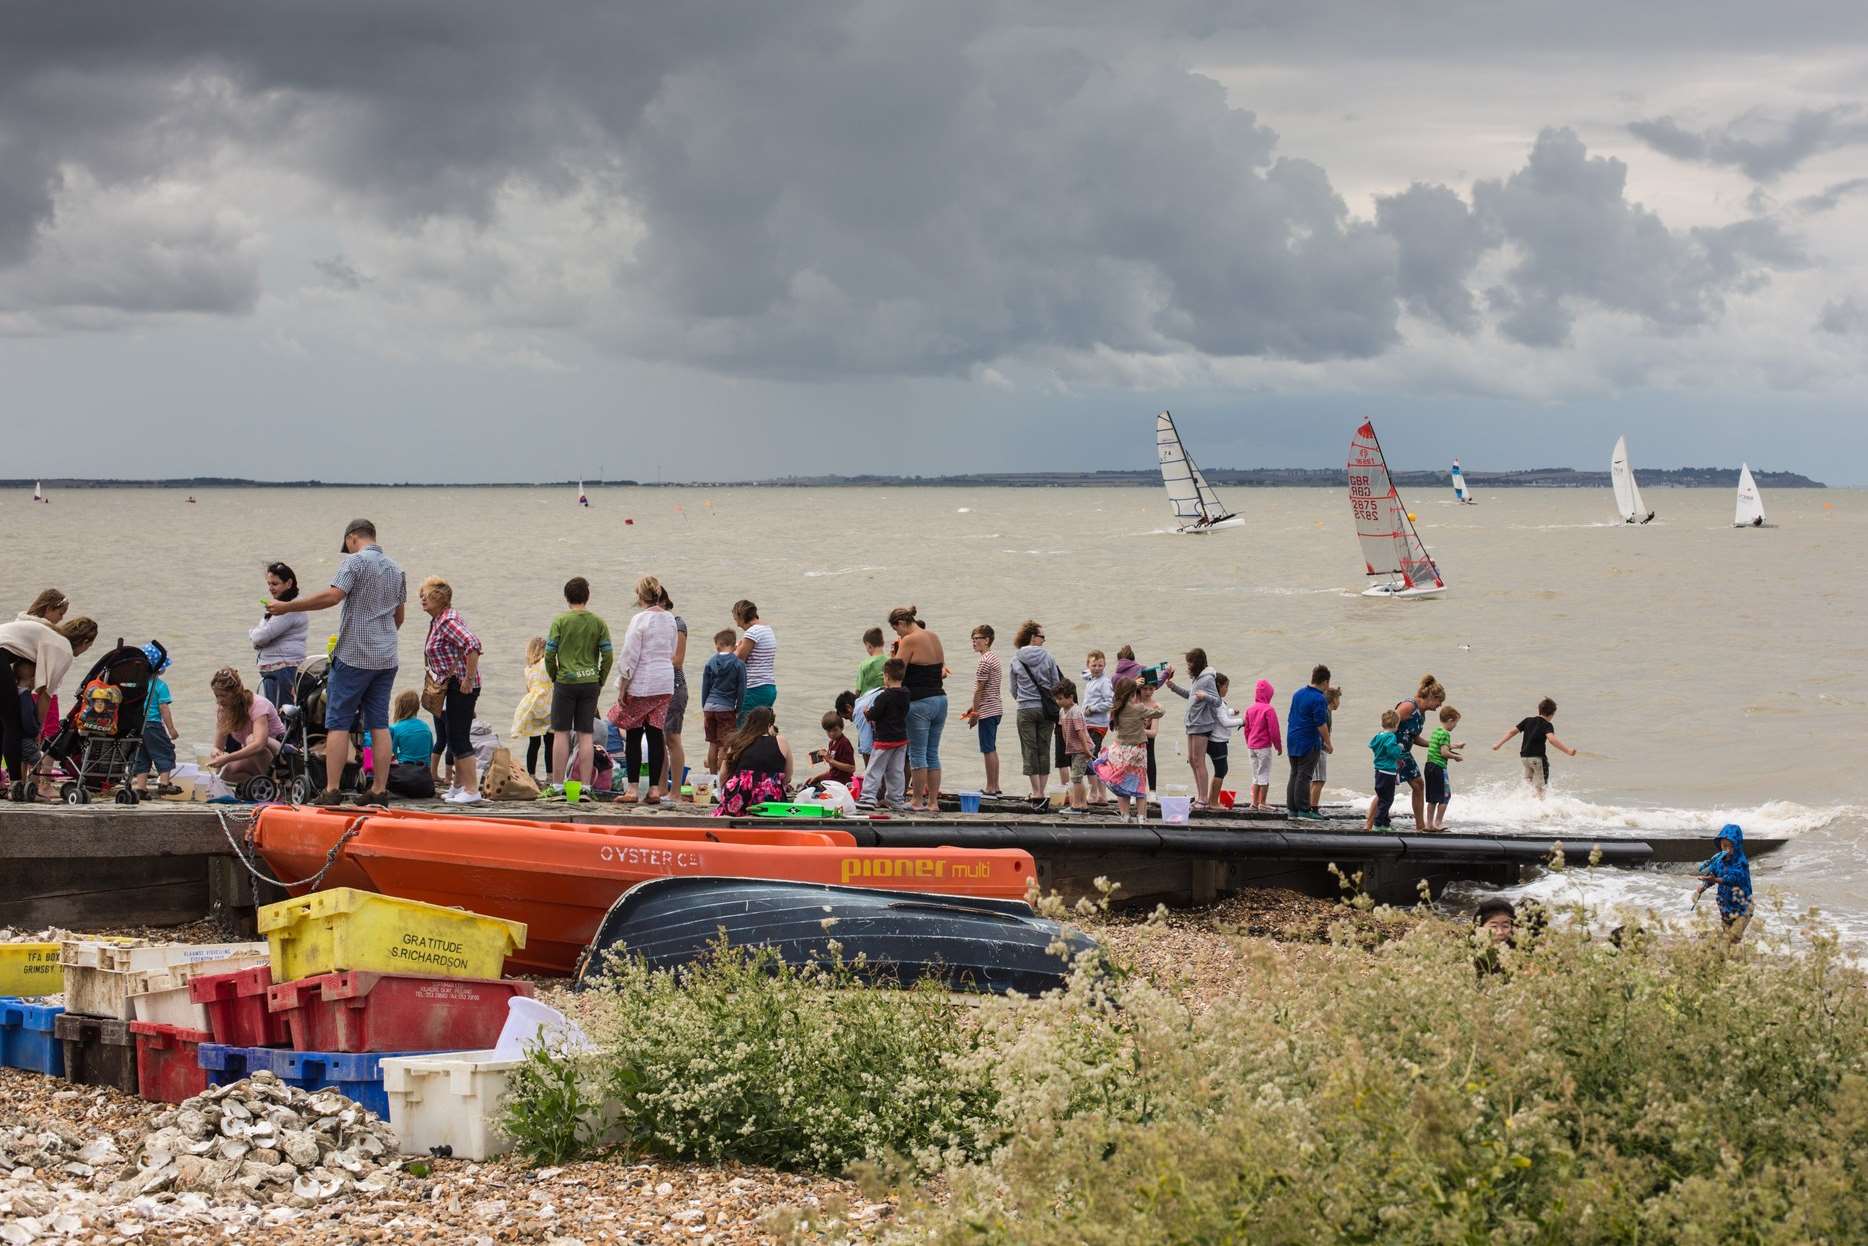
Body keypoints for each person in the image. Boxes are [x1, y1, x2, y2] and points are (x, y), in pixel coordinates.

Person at [265, 518, 405, 807]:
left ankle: (331, 789)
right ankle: (379, 790)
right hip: (387, 657)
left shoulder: (353, 563)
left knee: (338, 722)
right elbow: (398, 617)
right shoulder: (396, 569)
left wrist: (287, 607)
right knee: (378, 724)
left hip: (354, 655)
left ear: (353, 538)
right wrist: (381, 640)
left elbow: (332, 597)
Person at [1, 613, 94, 802]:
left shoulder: (52, 635)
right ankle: (17, 784)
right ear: (85, 641)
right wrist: (38, 730)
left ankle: (13, 782)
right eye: (89, 646)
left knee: (4, 723)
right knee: (12, 725)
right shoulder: (64, 649)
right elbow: (45, 694)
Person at [610, 576, 680, 805]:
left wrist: (623, 685)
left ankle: (632, 789)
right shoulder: (670, 619)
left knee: (632, 733)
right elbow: (672, 649)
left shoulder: (640, 619)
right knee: (655, 733)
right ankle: (653, 789)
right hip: (665, 682)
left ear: (640, 596)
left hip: (643, 682)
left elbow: (630, 654)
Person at [417, 577, 485, 805]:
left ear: (439, 597)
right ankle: (458, 786)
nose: (422, 599)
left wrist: (467, 679)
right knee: (454, 736)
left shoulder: (447, 621)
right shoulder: (440, 620)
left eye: (425, 594)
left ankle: (471, 789)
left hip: (461, 685)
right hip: (452, 684)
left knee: (459, 736)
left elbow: (473, 644)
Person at [544, 576, 613, 801]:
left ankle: (556, 785)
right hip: (590, 681)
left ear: (567, 598)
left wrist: (555, 675)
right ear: (587, 596)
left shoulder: (560, 622)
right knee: (586, 734)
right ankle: (585, 785)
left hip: (565, 681)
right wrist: (600, 678)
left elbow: (549, 653)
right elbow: (608, 654)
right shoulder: (598, 622)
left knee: (561, 733)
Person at [890, 606, 947, 814]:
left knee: (917, 753)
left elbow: (897, 672)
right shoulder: (933, 636)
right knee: (933, 753)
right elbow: (941, 669)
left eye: (897, 631)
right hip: (940, 700)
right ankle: (933, 802)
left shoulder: (909, 639)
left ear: (901, 624)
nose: (898, 635)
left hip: (919, 703)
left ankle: (916, 800)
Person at [1094, 676, 1163, 822]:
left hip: (1119, 751)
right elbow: (1160, 713)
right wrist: (1159, 707)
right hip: (1137, 751)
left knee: (1121, 784)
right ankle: (1141, 817)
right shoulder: (1139, 708)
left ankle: (1125, 816)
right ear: (1133, 694)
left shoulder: (1116, 708)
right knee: (1140, 784)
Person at [1010, 620, 1062, 809]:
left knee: (1029, 748)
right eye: (1042, 637)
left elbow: (1013, 689)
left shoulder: (1016, 658)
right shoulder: (1049, 657)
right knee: (1044, 747)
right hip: (1046, 709)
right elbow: (1056, 684)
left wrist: (1024, 698)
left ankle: (1036, 791)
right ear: (1033, 637)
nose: (1044, 640)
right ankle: (1043, 789)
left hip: (1025, 708)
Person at [204, 667, 285, 783]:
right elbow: (217, 746)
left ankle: (277, 785)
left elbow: (259, 744)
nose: (219, 701)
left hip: (280, 752)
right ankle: (257, 786)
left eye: (223, 696)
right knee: (225, 772)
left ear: (235, 692)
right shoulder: (223, 710)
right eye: (217, 696)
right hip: (254, 755)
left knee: (251, 739)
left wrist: (227, 757)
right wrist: (216, 752)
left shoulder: (258, 704)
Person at [1163, 649, 1220, 808]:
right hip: (1192, 724)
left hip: (1202, 724)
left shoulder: (1208, 678)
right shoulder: (1197, 679)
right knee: (1192, 759)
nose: (1188, 665)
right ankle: (1200, 796)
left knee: (1199, 761)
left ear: (1198, 662)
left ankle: (1204, 799)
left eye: (1190, 662)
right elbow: (1191, 696)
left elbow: (1217, 701)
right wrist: (1172, 686)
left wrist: (1205, 697)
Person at [713, 706, 792, 817]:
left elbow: (723, 774)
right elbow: (787, 777)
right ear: (770, 725)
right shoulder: (781, 741)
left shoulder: (737, 741)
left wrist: (723, 794)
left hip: (739, 797)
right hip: (770, 799)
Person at [1492, 696, 1576, 797]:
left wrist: (1498, 744)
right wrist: (1567, 751)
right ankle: (1540, 810)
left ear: (1539, 710)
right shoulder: (1547, 725)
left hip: (1525, 758)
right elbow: (1551, 739)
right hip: (1537, 759)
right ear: (1552, 714)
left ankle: (1529, 806)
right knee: (1540, 788)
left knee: (1529, 786)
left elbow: (1512, 732)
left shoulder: (1527, 720)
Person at [1392, 675, 1445, 829]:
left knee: (1419, 785)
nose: (1440, 706)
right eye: (1439, 701)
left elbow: (1413, 738)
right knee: (1387, 787)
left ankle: (1420, 826)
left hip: (1405, 753)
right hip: (1394, 751)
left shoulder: (1421, 715)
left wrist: (1434, 744)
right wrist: (1388, 751)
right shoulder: (1409, 706)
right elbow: (1389, 724)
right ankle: (1372, 822)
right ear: (1431, 697)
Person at [252, 562, 308, 709]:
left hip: (283, 670)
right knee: (279, 716)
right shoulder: (282, 605)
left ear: (289, 583)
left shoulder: (289, 608)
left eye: (275, 584)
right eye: (269, 583)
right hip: (278, 670)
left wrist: (252, 634)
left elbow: (260, 637)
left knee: (283, 718)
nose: (270, 588)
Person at [857, 659, 910, 812]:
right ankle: (896, 799)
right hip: (901, 739)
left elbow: (875, 714)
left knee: (874, 769)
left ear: (886, 676)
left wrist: (867, 712)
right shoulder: (906, 694)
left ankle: (867, 798)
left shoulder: (884, 696)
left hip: (885, 739)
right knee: (896, 771)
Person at [130, 644, 180, 798]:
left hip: (136, 725)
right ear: (159, 668)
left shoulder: (136, 684)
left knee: (140, 755)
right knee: (164, 752)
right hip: (153, 725)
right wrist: (171, 729)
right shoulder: (160, 686)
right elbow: (164, 708)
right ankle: (164, 783)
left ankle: (141, 787)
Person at [1286, 664, 1333, 820]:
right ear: (1325, 682)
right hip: (1308, 741)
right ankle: (1304, 810)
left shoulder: (1297, 694)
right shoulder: (1319, 698)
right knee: (1305, 776)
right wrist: (1328, 742)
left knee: (1294, 773)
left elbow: (1291, 716)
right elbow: (1321, 723)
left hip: (1292, 738)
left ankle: (1292, 809)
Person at [961, 625, 1003, 797]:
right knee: (991, 747)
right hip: (995, 707)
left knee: (987, 748)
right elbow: (988, 688)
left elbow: (979, 689)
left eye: (977, 638)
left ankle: (991, 787)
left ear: (987, 640)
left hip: (988, 710)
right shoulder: (994, 658)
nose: (974, 641)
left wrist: (975, 714)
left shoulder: (985, 660)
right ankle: (995, 785)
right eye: (972, 638)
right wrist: (973, 708)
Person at [1695, 824, 1754, 942]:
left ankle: (1716, 941)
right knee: (1727, 939)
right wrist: (1704, 887)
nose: (1726, 849)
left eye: (1729, 846)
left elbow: (1733, 879)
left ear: (1736, 846)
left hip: (1743, 908)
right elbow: (1713, 876)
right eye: (1723, 846)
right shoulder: (1719, 862)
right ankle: (1726, 954)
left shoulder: (1741, 863)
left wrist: (1716, 880)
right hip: (1726, 908)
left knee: (1732, 938)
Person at [700, 628, 745, 775]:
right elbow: (741, 689)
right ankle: (723, 779)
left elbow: (705, 687)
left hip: (709, 707)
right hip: (726, 708)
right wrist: (738, 709)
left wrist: (704, 708)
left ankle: (713, 778)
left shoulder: (710, 662)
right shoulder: (738, 664)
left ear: (718, 645)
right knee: (726, 745)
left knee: (713, 744)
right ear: (734, 645)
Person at [512, 637, 554, 780]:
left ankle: (532, 776)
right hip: (548, 704)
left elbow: (529, 688)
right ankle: (550, 776)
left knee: (533, 743)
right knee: (550, 742)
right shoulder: (547, 664)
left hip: (532, 705)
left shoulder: (528, 668)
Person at [732, 600, 777, 724]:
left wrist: (731, 651)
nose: (737, 625)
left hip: (753, 689)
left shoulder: (753, 632)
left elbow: (739, 660)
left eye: (736, 619)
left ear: (741, 616)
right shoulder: (767, 629)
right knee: (759, 731)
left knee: (741, 731)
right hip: (769, 687)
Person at [388, 690, 438, 799]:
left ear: (399, 707)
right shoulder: (426, 727)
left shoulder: (394, 728)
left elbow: (391, 756)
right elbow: (429, 754)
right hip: (424, 779)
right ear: (417, 707)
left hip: (404, 777)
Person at [1055, 678, 1095, 814]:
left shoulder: (1076, 711)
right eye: (1057, 699)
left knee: (1076, 778)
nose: (1058, 701)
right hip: (1074, 749)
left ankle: (1076, 805)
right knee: (1078, 777)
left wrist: (1086, 750)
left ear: (1071, 697)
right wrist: (1067, 746)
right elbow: (1064, 731)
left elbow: (1081, 732)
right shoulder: (1062, 711)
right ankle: (1083, 805)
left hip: (1083, 748)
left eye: (1061, 698)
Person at [1243, 678, 1283, 811]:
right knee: (1264, 774)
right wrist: (1278, 745)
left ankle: (1254, 802)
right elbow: (1274, 730)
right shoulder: (1269, 709)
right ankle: (1263, 802)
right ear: (1268, 694)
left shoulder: (1250, 709)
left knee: (1255, 775)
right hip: (1263, 747)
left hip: (1251, 747)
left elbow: (1246, 729)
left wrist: (1249, 743)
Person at [1424, 706, 1464, 831]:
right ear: (1450, 720)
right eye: (1456, 723)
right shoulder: (1446, 734)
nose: (1455, 726)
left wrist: (1455, 746)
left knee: (1432, 798)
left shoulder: (1437, 731)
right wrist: (1455, 757)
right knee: (1445, 796)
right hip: (1438, 767)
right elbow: (1444, 753)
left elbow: (1439, 746)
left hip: (1429, 766)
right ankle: (1438, 823)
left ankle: (1429, 824)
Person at [1082, 650, 1113, 805]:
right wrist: (1088, 673)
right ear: (1088, 665)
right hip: (1088, 724)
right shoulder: (1090, 678)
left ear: (1105, 665)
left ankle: (1093, 792)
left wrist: (1093, 708)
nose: (1097, 668)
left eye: (1100, 665)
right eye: (1094, 665)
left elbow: (1110, 702)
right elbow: (1085, 673)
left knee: (1090, 758)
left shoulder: (1104, 682)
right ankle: (1102, 795)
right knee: (1095, 758)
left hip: (1098, 725)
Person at [1206, 673, 1241, 807]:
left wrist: (1231, 711)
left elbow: (1221, 714)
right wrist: (1243, 721)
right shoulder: (1218, 702)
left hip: (1216, 740)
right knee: (1221, 770)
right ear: (1219, 686)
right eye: (1226, 686)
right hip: (1217, 741)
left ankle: (1211, 800)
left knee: (1220, 770)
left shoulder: (1216, 701)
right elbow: (1225, 722)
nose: (1227, 689)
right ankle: (1213, 802)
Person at [1366, 709, 1404, 830]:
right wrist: (1399, 748)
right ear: (1395, 724)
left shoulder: (1379, 735)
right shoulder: (1391, 736)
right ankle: (1377, 824)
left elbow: (1372, 745)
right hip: (1388, 772)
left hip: (1378, 771)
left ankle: (1385, 823)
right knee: (1387, 799)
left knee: (1383, 797)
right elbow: (1392, 751)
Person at [806, 710, 856, 790]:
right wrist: (818, 777)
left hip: (842, 784)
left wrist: (830, 760)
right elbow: (834, 771)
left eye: (835, 730)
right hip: (834, 780)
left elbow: (852, 768)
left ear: (842, 727)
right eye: (829, 731)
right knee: (809, 783)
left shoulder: (844, 743)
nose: (832, 734)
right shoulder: (832, 743)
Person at [1310, 685, 1341, 811]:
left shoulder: (1326, 711)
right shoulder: (1325, 712)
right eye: (1338, 699)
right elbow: (1320, 731)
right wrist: (1326, 745)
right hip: (1319, 749)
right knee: (1319, 780)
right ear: (1333, 700)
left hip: (1318, 748)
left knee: (1315, 780)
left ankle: (1309, 805)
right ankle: (1313, 808)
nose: (1339, 703)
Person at [856, 627, 887, 694]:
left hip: (867, 701)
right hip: (885, 699)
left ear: (869, 646)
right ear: (883, 643)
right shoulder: (891, 661)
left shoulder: (864, 664)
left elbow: (858, 689)